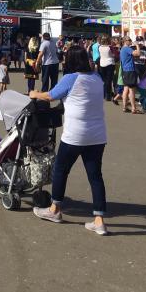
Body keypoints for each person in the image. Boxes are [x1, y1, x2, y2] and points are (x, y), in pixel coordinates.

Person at [30, 45, 109, 236]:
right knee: (95, 176)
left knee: (60, 169)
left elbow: (50, 96)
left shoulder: (71, 78)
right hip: (98, 135)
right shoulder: (97, 78)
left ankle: (55, 210)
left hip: (75, 134)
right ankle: (99, 220)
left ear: (71, 60)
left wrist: (34, 94)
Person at [119, 36, 141, 114]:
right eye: (129, 40)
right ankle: (133, 108)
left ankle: (125, 107)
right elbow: (138, 53)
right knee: (132, 90)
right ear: (125, 41)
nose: (131, 41)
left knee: (126, 89)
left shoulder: (122, 49)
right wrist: (137, 45)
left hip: (125, 70)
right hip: (130, 70)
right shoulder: (127, 48)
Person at [97, 35, 116, 101]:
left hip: (102, 63)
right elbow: (114, 55)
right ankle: (108, 95)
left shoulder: (99, 47)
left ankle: (104, 94)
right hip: (110, 63)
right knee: (109, 80)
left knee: (104, 80)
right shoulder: (110, 47)